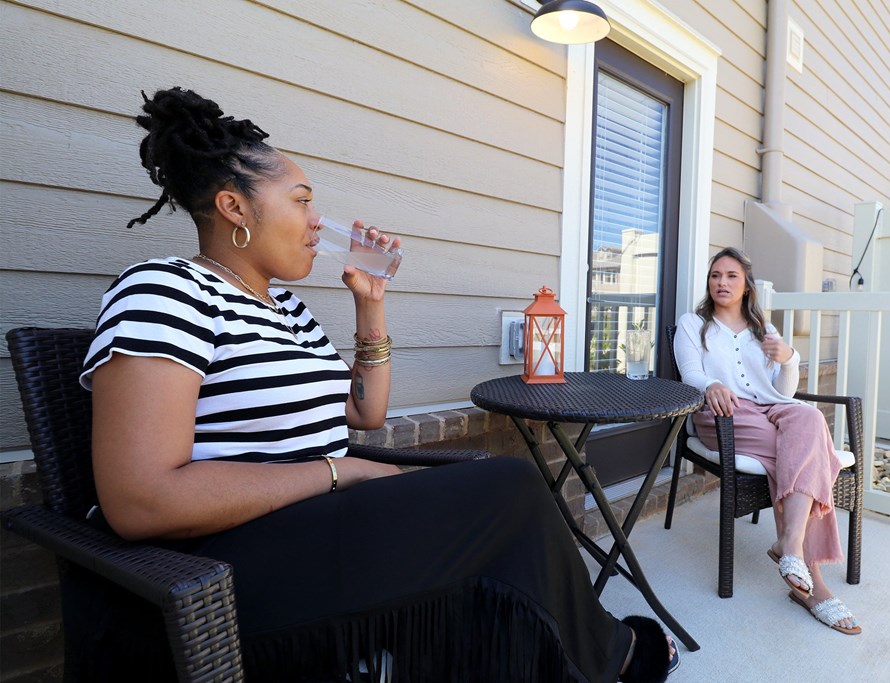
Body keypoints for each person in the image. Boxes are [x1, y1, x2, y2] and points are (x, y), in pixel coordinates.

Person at [74, 86, 679, 682]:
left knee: (495, 524)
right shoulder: (165, 290)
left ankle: (574, 657)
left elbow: (363, 413)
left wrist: (371, 306)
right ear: (235, 208)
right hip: (222, 563)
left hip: (318, 529)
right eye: (302, 202)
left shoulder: (284, 306)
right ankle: (616, 654)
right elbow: (141, 500)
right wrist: (342, 473)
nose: (317, 223)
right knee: (512, 485)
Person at [673, 247, 861, 636]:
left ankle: (789, 545)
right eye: (715, 276)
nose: (721, 283)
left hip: (768, 410)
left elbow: (784, 393)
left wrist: (790, 359)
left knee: (808, 417)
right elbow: (690, 372)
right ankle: (816, 586)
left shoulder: (765, 331)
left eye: (731, 276)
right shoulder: (694, 324)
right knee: (802, 451)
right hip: (721, 414)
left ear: (746, 286)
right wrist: (711, 384)